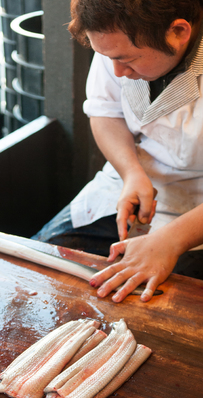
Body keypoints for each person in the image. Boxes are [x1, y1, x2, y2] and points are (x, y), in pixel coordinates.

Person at [32, 0, 203, 303]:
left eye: (128, 60)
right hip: (129, 182)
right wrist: (130, 172)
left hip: (195, 213)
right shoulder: (118, 42)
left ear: (178, 32)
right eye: (107, 58)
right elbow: (105, 111)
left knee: (151, 308)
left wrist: (171, 240)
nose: (117, 71)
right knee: (38, 265)